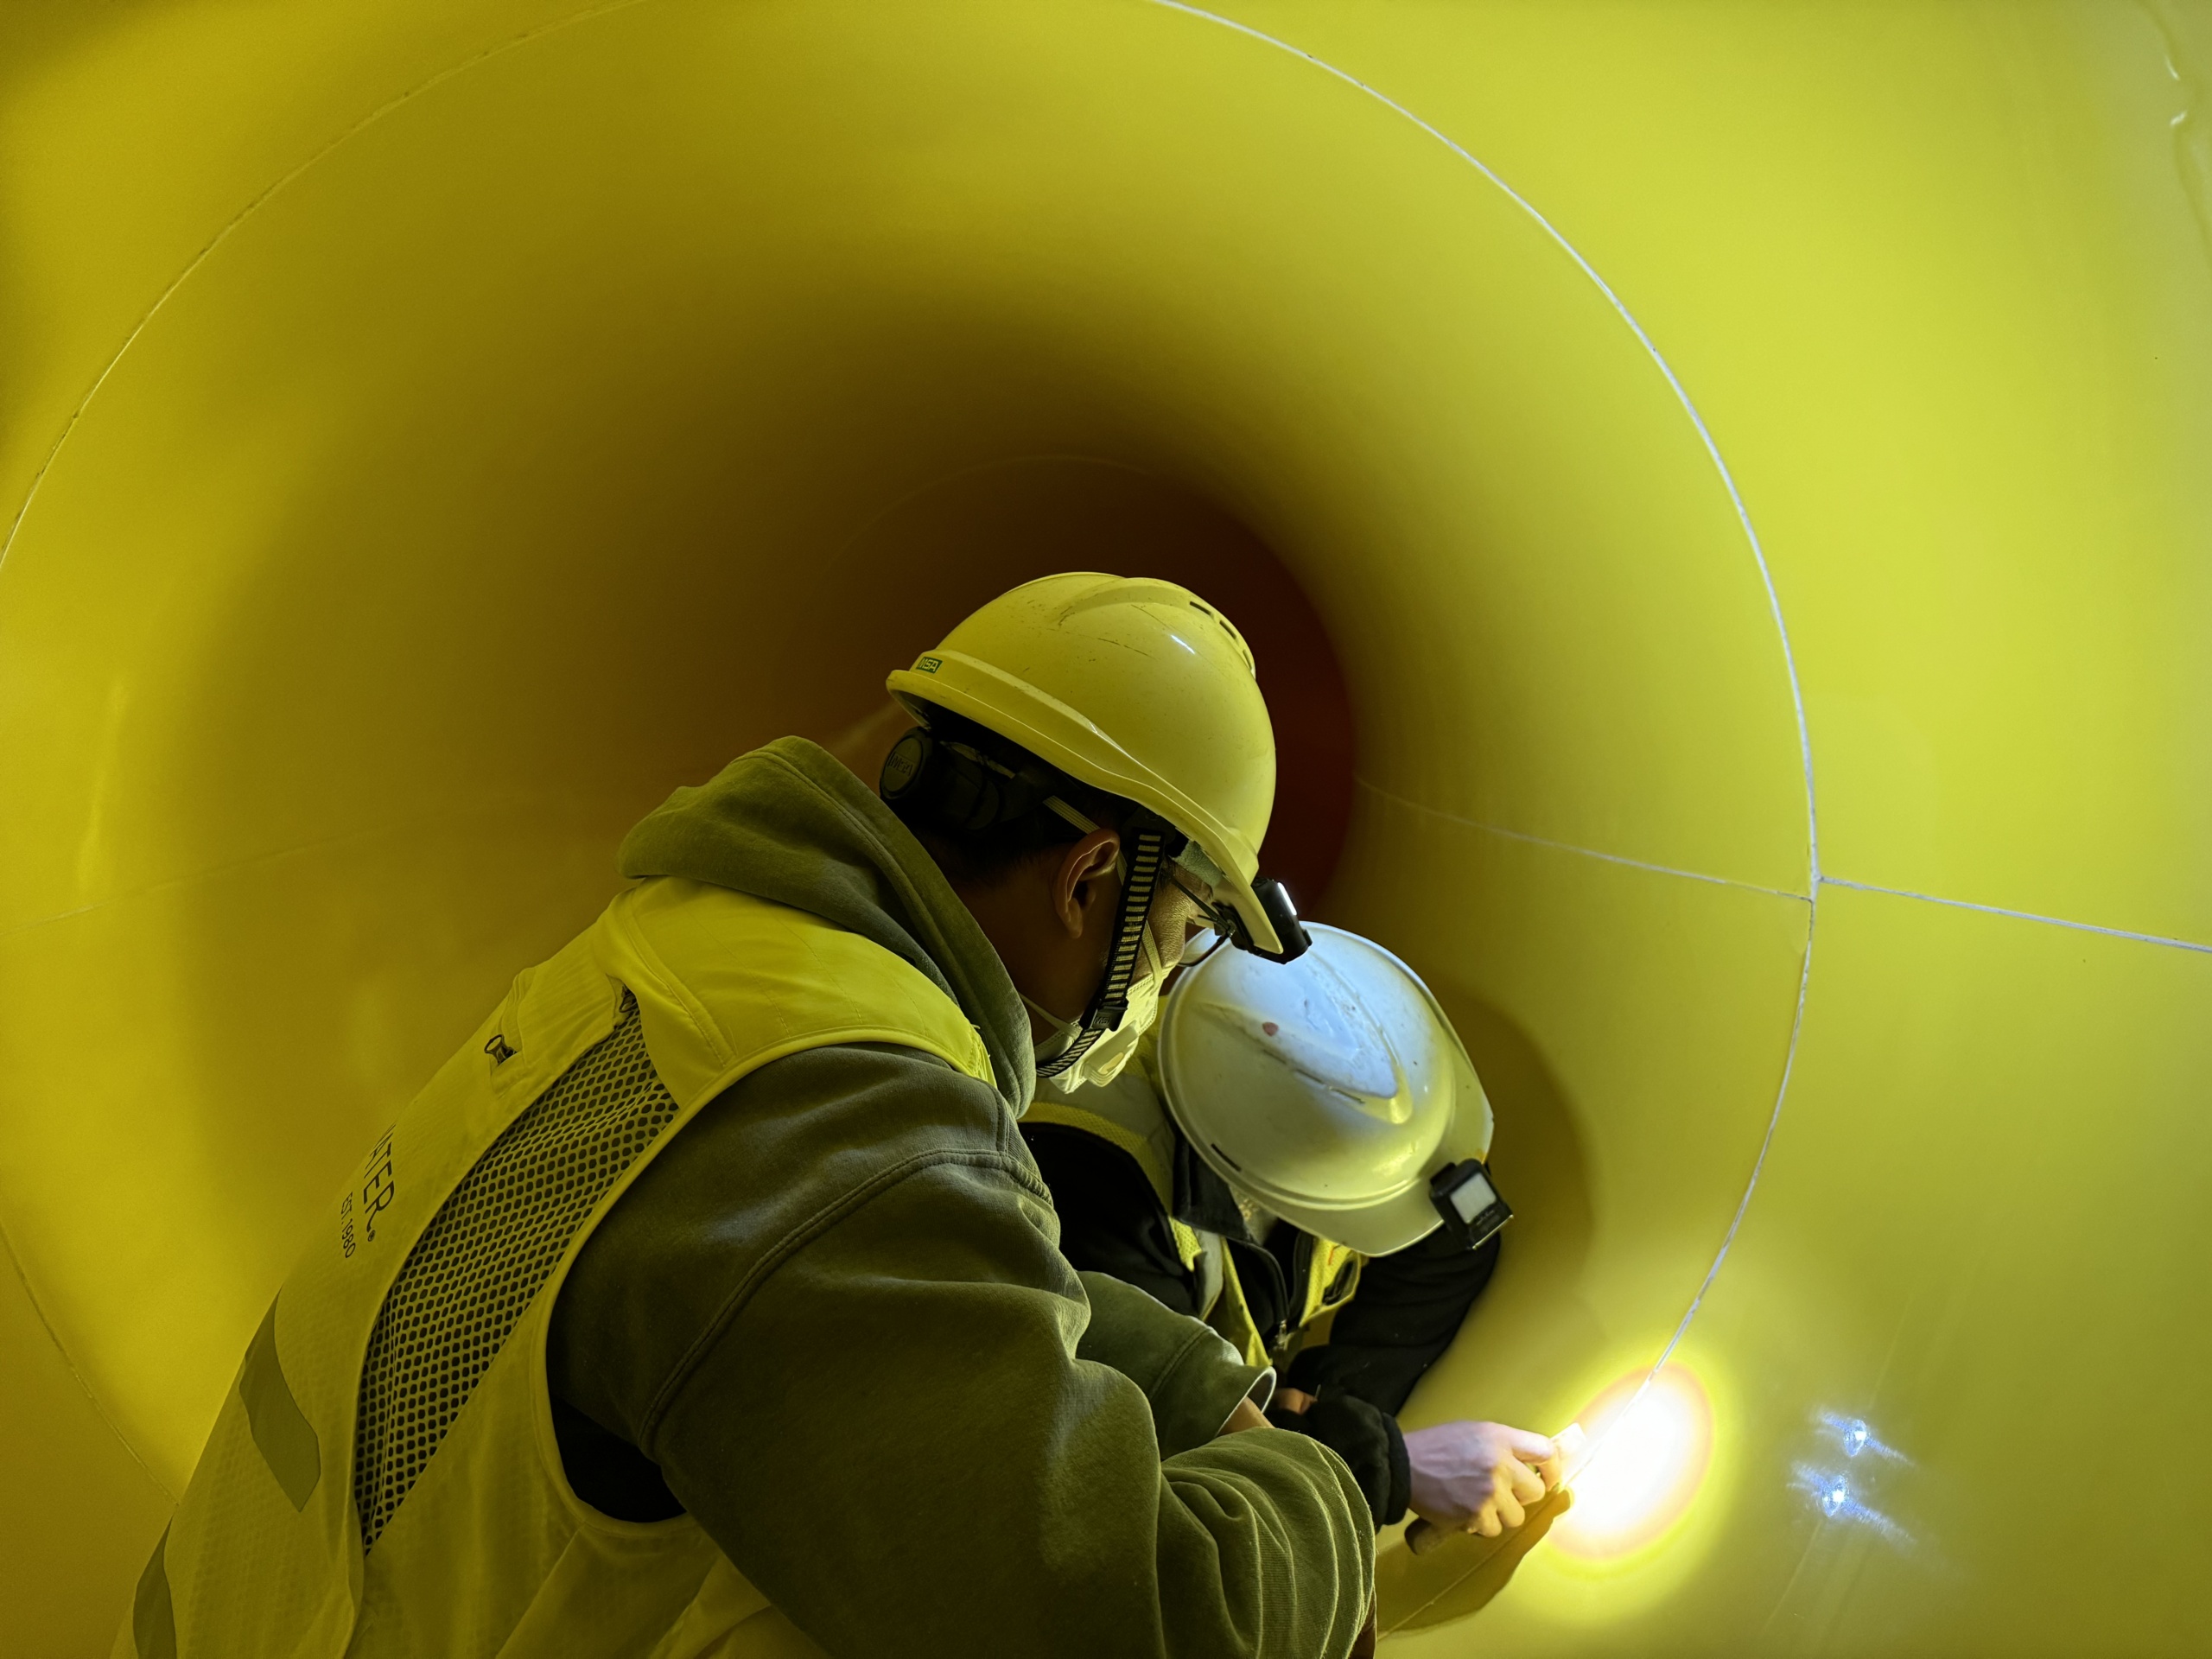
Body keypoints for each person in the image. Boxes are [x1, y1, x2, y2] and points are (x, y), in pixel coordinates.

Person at [124, 575, 1377, 1659]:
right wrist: (1322, 1483)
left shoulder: (716, 954)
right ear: (1093, 875)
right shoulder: (851, 1125)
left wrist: (1177, 1375)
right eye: (1186, 929)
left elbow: (871, 1285)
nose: (1169, 979)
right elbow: (1142, 1627)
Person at [1020, 922, 1563, 1547]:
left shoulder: (1371, 1108)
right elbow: (1161, 1470)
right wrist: (1388, 1466)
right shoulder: (1100, 1201)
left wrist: (1321, 1411)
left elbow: (1453, 1251)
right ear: (1273, 1177)